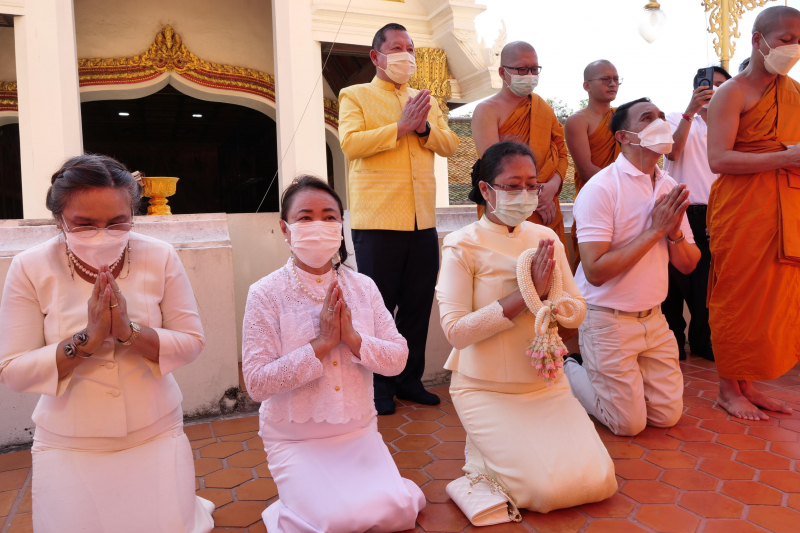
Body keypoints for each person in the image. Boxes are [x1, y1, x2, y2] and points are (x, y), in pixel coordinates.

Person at [0, 155, 214, 533]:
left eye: (117, 223)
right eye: (84, 225)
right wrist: (87, 340)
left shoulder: (159, 255)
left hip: (155, 425)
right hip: (70, 437)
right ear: (59, 220)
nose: (103, 234)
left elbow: (191, 341)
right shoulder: (30, 267)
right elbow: (12, 370)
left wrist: (129, 333)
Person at [436, 141, 617, 513]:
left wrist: (551, 300)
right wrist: (526, 294)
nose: (525, 194)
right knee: (548, 493)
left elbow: (577, 312)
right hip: (486, 389)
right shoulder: (461, 244)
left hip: (545, 384)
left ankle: (493, 459)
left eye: (532, 184)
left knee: (599, 480)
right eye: (512, 185)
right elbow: (456, 332)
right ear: (486, 190)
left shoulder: (545, 237)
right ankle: (483, 461)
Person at [242, 176, 425, 533]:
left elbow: (398, 357)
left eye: (329, 217)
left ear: (341, 226)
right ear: (285, 228)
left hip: (358, 431)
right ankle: (295, 505)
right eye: (305, 217)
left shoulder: (363, 286)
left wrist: (354, 340)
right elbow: (257, 382)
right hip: (295, 437)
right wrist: (322, 344)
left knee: (400, 512)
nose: (318, 226)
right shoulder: (266, 293)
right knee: (338, 521)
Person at [338, 23, 459, 415]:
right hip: (377, 221)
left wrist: (422, 127)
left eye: (410, 47)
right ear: (376, 56)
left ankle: (409, 380)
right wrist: (400, 127)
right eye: (397, 47)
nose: (406, 54)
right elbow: (351, 143)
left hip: (422, 220)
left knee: (417, 305)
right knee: (377, 308)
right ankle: (378, 386)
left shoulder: (427, 100)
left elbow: (451, 144)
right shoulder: (354, 95)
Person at [564, 98, 701, 436]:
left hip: (654, 319)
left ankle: (619, 382)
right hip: (607, 320)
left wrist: (672, 233)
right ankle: (570, 366)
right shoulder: (602, 189)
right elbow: (594, 271)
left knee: (667, 416)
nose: (659, 123)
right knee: (629, 424)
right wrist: (654, 230)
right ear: (624, 136)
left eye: (660, 117)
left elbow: (688, 264)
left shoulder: (669, 187)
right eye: (647, 118)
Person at [706, 6, 800, 421]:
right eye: (785, 39)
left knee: (770, 301)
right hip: (742, 209)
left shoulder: (794, 93)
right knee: (738, 297)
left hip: (784, 207)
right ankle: (728, 389)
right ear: (757, 40)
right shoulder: (733, 92)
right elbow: (718, 159)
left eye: (799, 41)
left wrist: (790, 159)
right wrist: (786, 157)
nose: (793, 48)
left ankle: (748, 384)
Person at [471, 41, 570, 250]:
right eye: (522, 69)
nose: (530, 75)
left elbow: (561, 152)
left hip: (546, 205)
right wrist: (534, 194)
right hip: (509, 204)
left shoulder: (543, 108)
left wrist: (549, 190)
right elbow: (495, 165)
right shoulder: (486, 110)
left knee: (549, 269)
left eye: (535, 69)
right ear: (502, 72)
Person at [661, 66, 731, 362]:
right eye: (710, 84)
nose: (714, 90)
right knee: (671, 280)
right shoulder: (676, 118)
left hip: (716, 213)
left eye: (721, 86)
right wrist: (692, 110)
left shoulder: (730, 124)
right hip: (678, 209)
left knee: (707, 283)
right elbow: (672, 153)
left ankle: (702, 340)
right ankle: (673, 340)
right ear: (696, 88)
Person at [564, 60, 622, 272]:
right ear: (587, 85)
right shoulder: (578, 121)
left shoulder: (622, 118)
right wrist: (624, 187)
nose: (613, 84)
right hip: (595, 200)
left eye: (616, 79)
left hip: (624, 201)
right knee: (592, 264)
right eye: (606, 79)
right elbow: (586, 170)